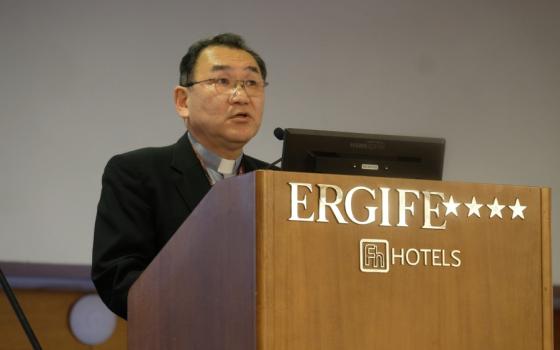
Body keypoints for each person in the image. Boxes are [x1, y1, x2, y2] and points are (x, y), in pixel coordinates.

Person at [92, 33, 271, 319]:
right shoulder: (137, 172)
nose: (241, 96)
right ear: (182, 101)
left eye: (252, 83)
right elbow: (118, 278)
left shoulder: (277, 181)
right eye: (222, 81)